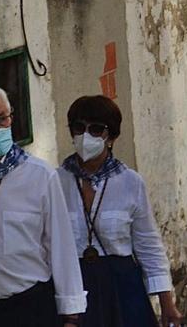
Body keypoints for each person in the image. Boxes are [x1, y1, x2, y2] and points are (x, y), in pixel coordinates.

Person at [58, 95, 179, 327]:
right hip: (73, 285)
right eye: (79, 128)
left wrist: (166, 301)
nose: (86, 136)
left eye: (95, 130)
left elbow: (148, 245)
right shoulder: (55, 181)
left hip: (121, 285)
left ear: (110, 136)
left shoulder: (130, 182)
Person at [0, 84, 86, 326]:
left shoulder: (39, 175)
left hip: (29, 307)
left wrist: (72, 315)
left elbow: (61, 245)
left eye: (2, 119)